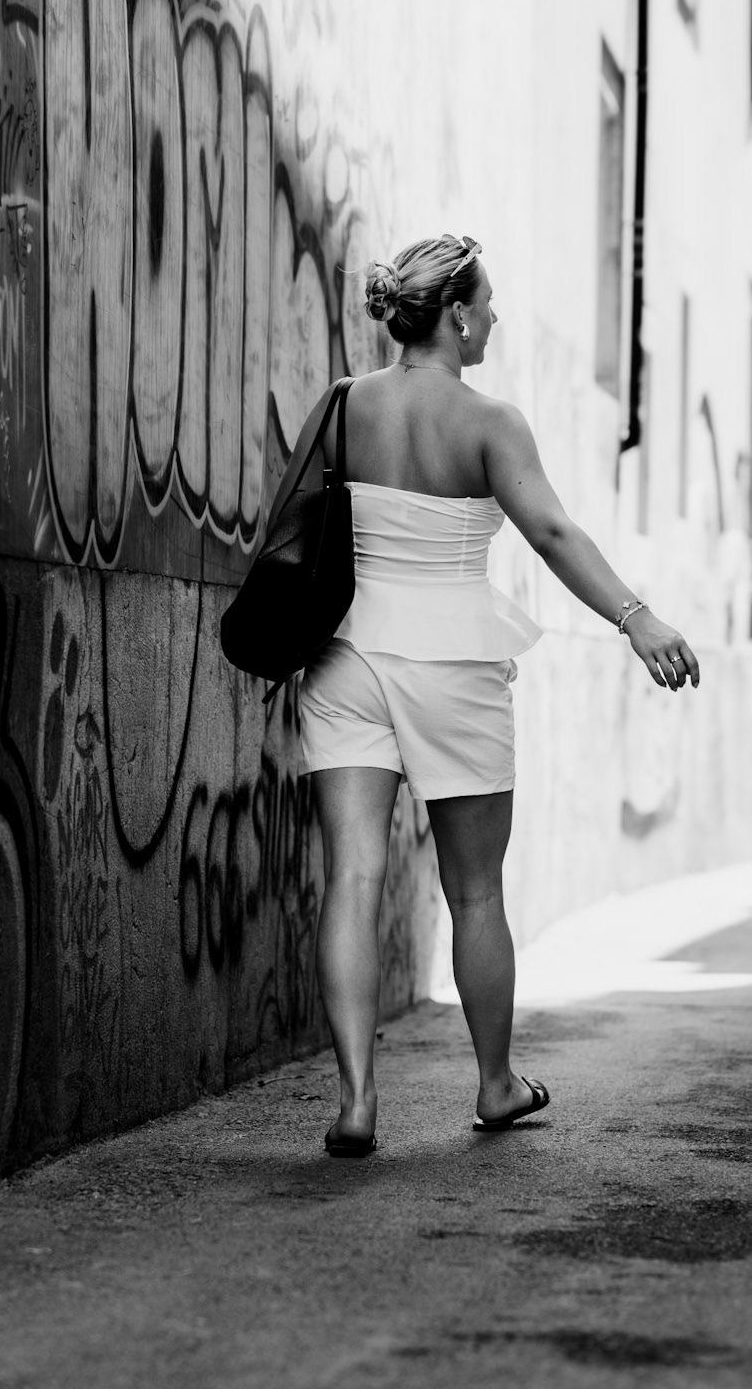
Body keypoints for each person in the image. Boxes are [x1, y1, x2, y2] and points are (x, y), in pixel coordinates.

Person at [269, 233, 699, 1157]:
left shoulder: (344, 405)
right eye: (489, 302)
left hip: (346, 658)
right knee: (473, 894)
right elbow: (549, 529)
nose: (496, 314)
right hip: (455, 665)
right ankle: (496, 1085)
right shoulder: (491, 422)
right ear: (457, 316)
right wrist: (637, 619)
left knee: (350, 874)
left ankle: (355, 1102)